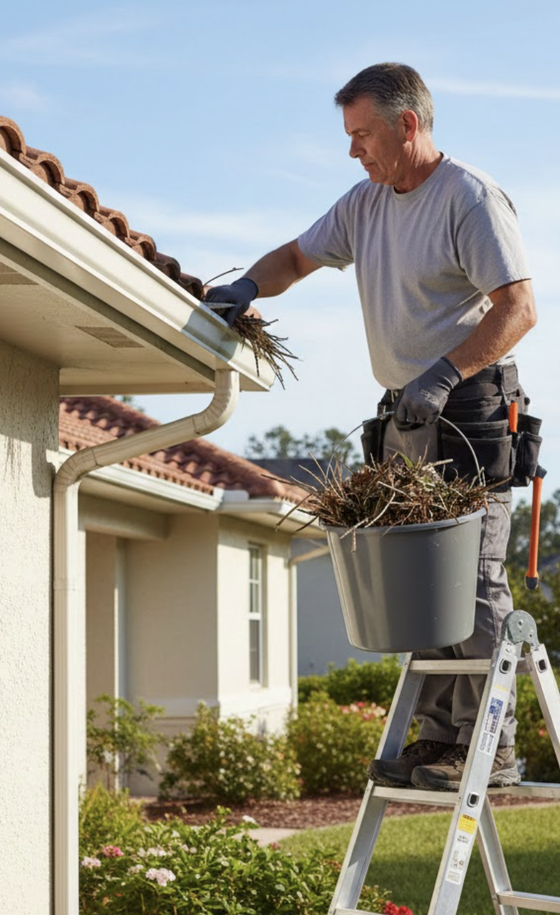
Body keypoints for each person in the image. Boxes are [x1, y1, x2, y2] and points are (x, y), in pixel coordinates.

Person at [204, 62, 538, 791]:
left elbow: (518, 307)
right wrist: (249, 284)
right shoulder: (365, 205)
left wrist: (446, 374)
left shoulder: (468, 199)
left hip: (470, 412)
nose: (353, 150)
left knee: (473, 583)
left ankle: (494, 745)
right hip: (406, 415)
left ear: (407, 125)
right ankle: (441, 737)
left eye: (362, 135)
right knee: (420, 583)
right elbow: (296, 256)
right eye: (350, 136)